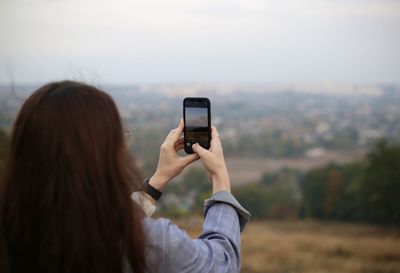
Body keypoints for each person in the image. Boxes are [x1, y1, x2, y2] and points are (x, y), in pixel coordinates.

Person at [0, 81, 250, 273]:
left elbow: (108, 223)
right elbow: (222, 263)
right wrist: (220, 178)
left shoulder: (18, 229)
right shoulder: (151, 243)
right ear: (101, 156)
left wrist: (157, 181)